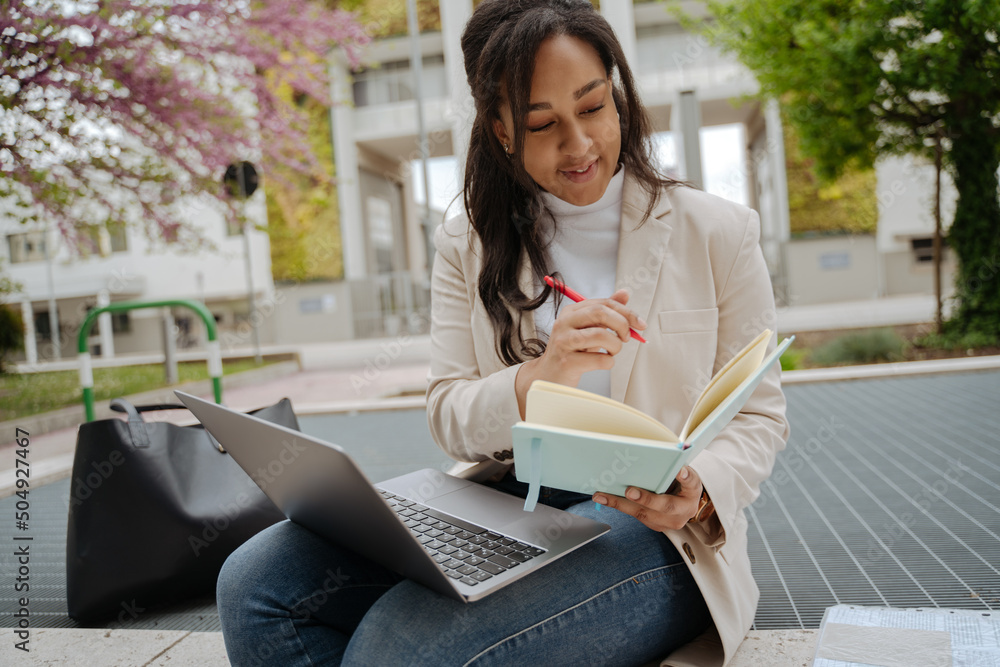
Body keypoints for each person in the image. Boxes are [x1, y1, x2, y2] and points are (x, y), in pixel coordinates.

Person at [216, 1, 789, 665]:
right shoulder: (468, 242)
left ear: (618, 93)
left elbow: (761, 414)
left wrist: (701, 486)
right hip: (513, 506)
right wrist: (538, 377)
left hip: (651, 529)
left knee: (397, 648)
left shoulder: (717, 231)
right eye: (543, 124)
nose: (579, 144)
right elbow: (448, 413)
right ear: (502, 131)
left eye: (594, 106)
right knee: (259, 583)